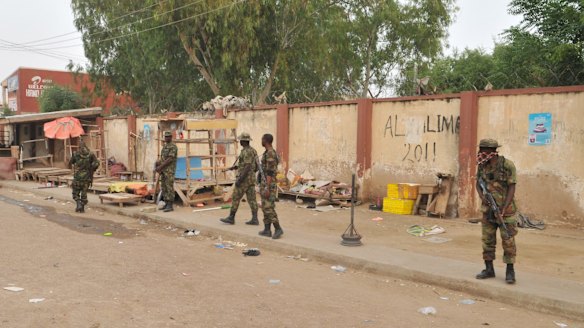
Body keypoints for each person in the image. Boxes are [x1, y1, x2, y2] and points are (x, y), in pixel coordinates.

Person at [475, 139, 518, 284]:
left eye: (482, 150)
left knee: (508, 241)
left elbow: (512, 187)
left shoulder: (507, 165)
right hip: (488, 210)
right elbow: (478, 184)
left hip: (506, 211)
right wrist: (482, 197)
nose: (480, 153)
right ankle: (489, 269)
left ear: (490, 152)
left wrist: (504, 207)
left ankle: (510, 271)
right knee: (487, 240)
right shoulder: (482, 165)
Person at [220, 132, 258, 225]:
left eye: (241, 140)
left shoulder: (246, 151)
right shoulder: (253, 150)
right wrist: (235, 167)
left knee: (236, 197)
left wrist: (240, 179)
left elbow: (248, 166)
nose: (240, 141)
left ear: (244, 141)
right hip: (251, 179)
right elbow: (254, 165)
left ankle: (231, 217)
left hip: (244, 179)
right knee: (252, 199)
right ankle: (255, 219)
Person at [257, 134, 284, 239]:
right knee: (265, 206)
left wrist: (267, 187)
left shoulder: (271, 153)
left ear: (266, 140)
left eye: (262, 139)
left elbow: (270, 172)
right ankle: (267, 230)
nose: (261, 141)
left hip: (269, 184)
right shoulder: (267, 153)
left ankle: (278, 228)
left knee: (269, 207)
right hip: (265, 183)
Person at [70, 140, 100, 213]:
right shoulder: (91, 154)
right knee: (84, 193)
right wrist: (92, 168)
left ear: (79, 146)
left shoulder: (75, 154)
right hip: (87, 176)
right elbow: (97, 163)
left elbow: (71, 162)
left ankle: (78, 204)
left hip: (78, 177)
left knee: (75, 193)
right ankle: (81, 208)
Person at [156, 131, 178, 212]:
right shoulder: (165, 146)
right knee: (164, 187)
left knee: (169, 187)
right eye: (165, 137)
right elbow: (163, 158)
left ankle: (170, 205)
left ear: (171, 137)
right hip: (163, 170)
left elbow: (170, 159)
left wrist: (160, 167)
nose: (166, 138)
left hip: (169, 170)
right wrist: (158, 165)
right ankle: (166, 203)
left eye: (168, 136)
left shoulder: (173, 146)